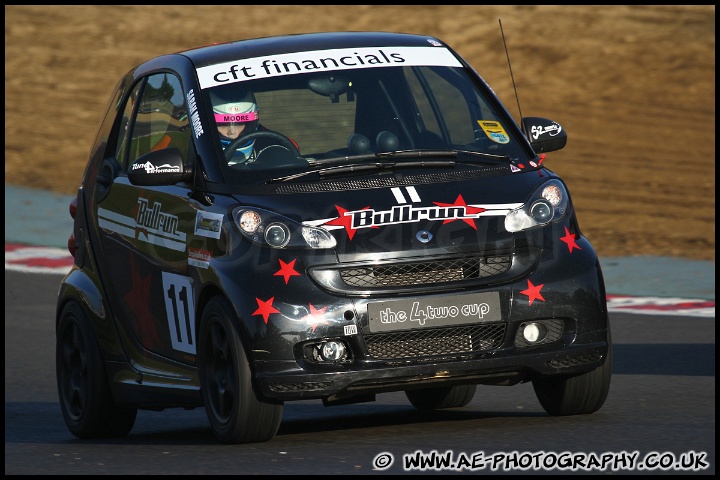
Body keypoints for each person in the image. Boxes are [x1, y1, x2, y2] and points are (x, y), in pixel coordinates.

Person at [209, 89, 262, 165]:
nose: (232, 132)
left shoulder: (271, 152)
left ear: (252, 125)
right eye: (223, 125)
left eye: (239, 124)